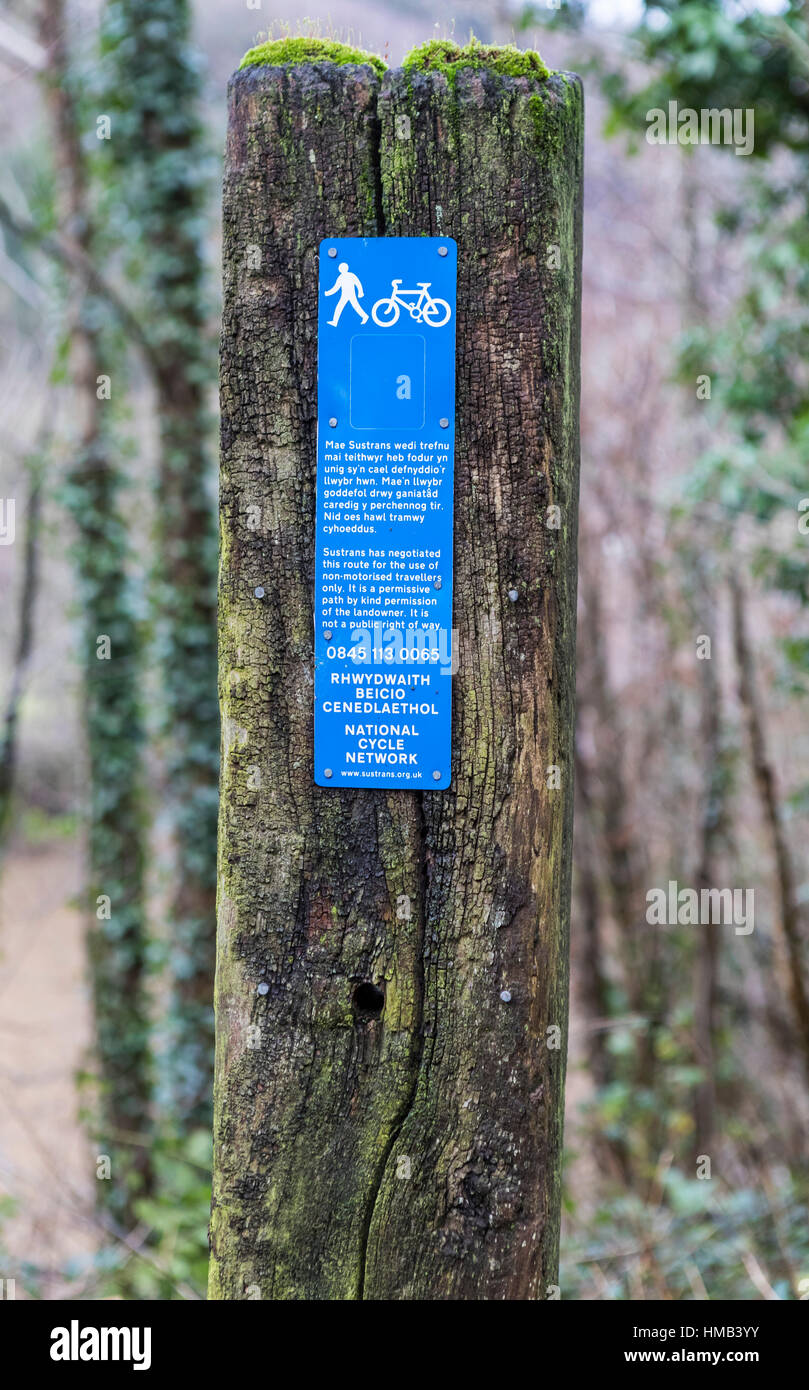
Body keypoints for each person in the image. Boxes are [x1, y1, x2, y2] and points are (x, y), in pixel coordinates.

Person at [324, 261, 368, 326]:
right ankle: (335, 322)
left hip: (350, 294)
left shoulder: (351, 275)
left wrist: (360, 292)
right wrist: (328, 293)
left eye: (341, 268)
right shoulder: (341, 277)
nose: (340, 269)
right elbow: (336, 287)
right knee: (342, 307)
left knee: (353, 306)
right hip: (345, 295)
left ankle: (365, 316)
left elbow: (358, 283)